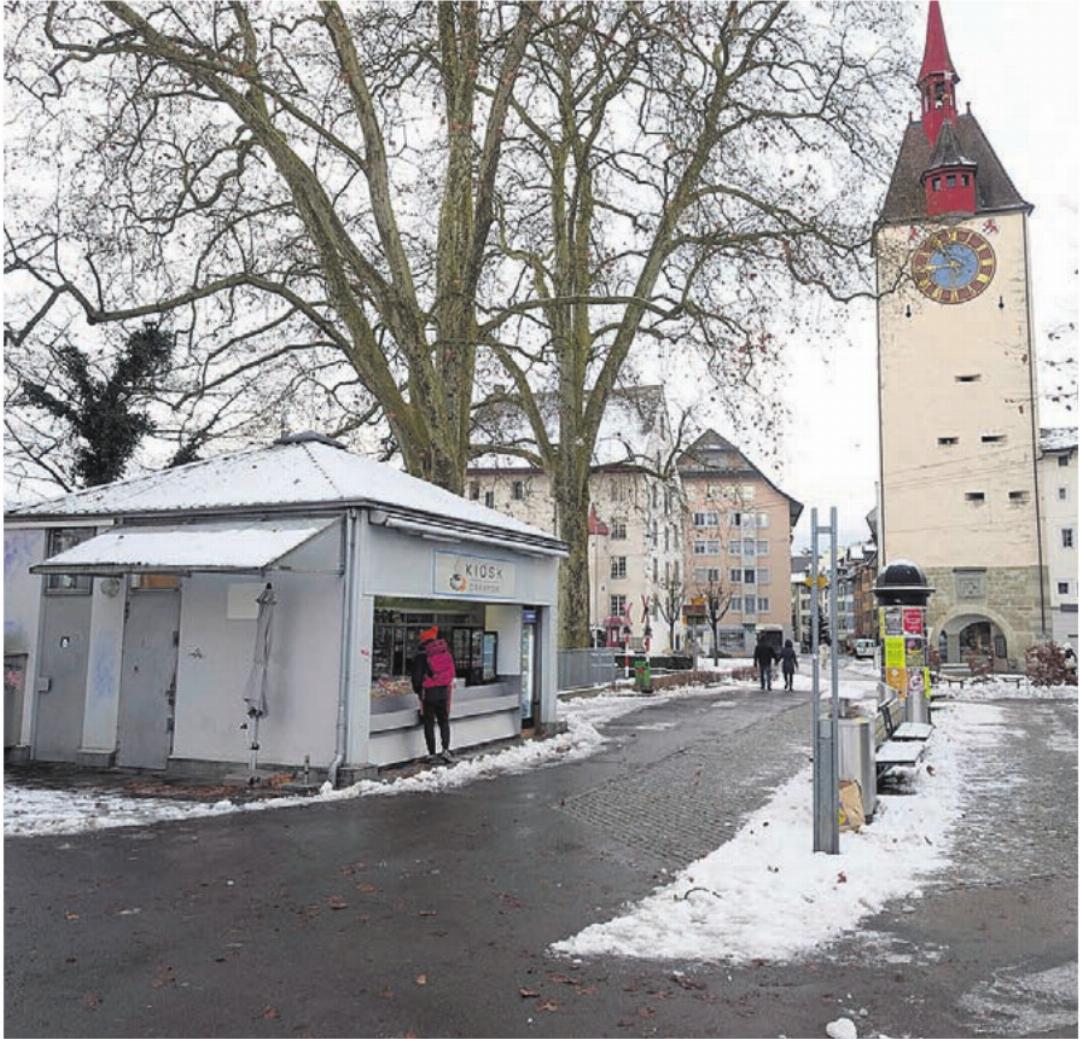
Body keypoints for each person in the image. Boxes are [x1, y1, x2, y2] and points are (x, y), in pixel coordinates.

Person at [410, 626, 456, 764]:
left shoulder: (421, 657)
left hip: (429, 694)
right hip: (444, 693)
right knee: (444, 722)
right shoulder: (445, 653)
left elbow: (417, 679)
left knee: (429, 724)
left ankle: (431, 754)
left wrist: (419, 691)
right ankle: (446, 750)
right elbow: (451, 674)